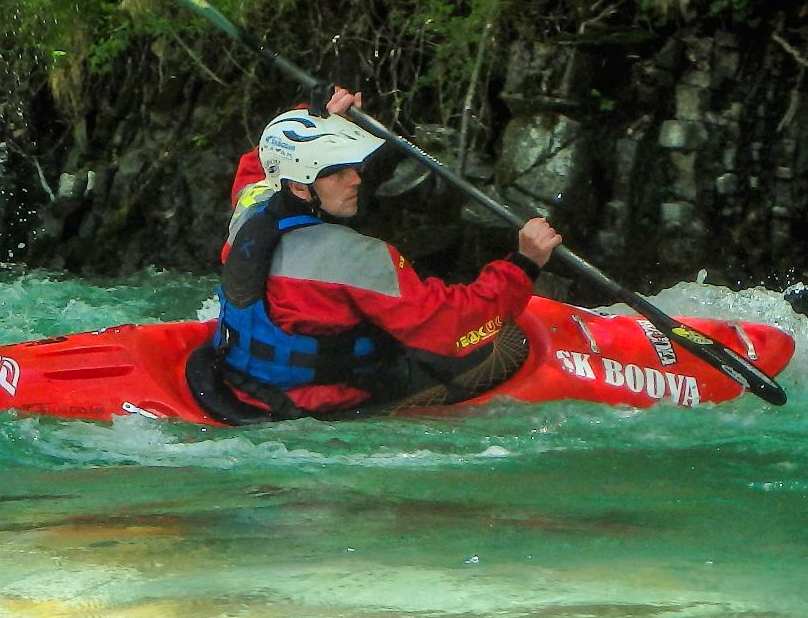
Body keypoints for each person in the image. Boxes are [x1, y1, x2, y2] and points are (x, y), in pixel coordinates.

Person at [209, 88, 560, 420]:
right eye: (336, 171)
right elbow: (450, 326)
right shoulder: (357, 258)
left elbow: (262, 165)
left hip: (245, 384)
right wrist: (524, 264)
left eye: (352, 165)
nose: (356, 179)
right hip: (318, 401)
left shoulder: (248, 214)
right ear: (300, 186)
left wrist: (317, 117)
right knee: (507, 344)